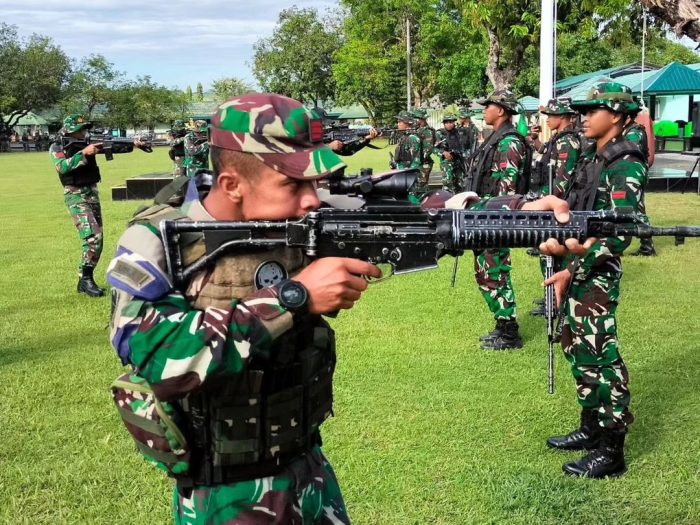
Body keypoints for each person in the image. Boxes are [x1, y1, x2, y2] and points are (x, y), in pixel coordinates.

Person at [108, 93, 382, 524]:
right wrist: (293, 298)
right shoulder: (155, 240)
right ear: (232, 184)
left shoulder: (298, 220)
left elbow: (424, 215)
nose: (313, 200)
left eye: (317, 183)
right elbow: (160, 357)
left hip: (307, 467)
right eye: (294, 184)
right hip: (227, 495)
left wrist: (516, 213)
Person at [544, 81, 646, 478]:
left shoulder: (625, 164)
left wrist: (581, 257)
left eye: (593, 111)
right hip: (581, 271)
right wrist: (569, 266)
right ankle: (591, 428)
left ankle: (611, 449)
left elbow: (624, 230)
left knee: (602, 357)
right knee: (577, 348)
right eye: (583, 112)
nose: (584, 118)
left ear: (618, 116)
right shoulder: (594, 158)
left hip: (598, 278)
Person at [49, 113, 150, 297]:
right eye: (80, 130)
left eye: (84, 129)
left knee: (99, 239)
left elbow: (113, 146)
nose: (83, 133)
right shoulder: (57, 146)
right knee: (92, 238)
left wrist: (134, 144)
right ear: (70, 130)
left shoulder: (87, 141)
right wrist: (84, 154)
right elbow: (62, 167)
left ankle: (84, 280)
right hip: (75, 195)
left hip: (92, 193)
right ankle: (86, 279)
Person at [464, 90, 528, 350]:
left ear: (501, 110)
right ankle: (503, 325)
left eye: (488, 106)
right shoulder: (494, 139)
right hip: (483, 215)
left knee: (494, 272)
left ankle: (510, 333)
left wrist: (495, 222)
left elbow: (507, 191)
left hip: (494, 219)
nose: (484, 109)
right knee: (486, 273)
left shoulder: (508, 142)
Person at [527, 99, 582, 316]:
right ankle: (551, 296)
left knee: (553, 253)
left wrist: (547, 203)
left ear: (565, 117)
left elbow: (562, 180)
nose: (548, 119)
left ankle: (557, 300)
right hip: (550, 202)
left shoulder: (567, 142)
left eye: (552, 115)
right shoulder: (557, 139)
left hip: (557, 207)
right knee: (547, 253)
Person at [623, 107, 657, 256]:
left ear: (628, 117)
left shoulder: (634, 132)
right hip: (630, 174)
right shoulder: (627, 131)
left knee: (637, 211)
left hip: (634, 174)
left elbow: (629, 153)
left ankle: (647, 247)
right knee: (636, 209)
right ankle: (646, 246)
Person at [391, 111, 423, 200]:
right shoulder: (403, 137)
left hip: (408, 175)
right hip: (401, 172)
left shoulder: (413, 138)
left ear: (407, 123)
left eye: (399, 122)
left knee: (411, 199)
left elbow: (416, 160)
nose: (398, 124)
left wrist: (409, 176)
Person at [434, 113, 465, 193]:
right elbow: (433, 148)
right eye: (447, 123)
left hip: (459, 160)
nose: (449, 124)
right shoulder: (439, 133)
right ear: (444, 124)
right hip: (447, 162)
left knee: (460, 182)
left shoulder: (458, 132)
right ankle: (447, 199)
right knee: (447, 182)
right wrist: (443, 152)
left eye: (451, 122)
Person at [412, 108, 437, 190]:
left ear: (421, 119)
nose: (414, 120)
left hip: (423, 163)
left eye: (416, 118)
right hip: (416, 163)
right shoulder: (416, 129)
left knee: (421, 186)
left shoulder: (427, 131)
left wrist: (417, 160)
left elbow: (428, 149)